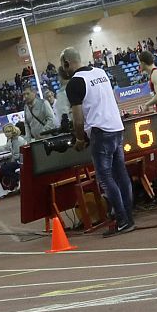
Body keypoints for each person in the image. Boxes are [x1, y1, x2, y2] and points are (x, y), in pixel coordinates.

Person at [60, 46, 135, 236]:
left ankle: (122, 219)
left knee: (105, 178)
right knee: (121, 175)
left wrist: (79, 139)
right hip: (116, 127)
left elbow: (78, 118)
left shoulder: (74, 83)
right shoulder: (101, 72)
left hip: (101, 132)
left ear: (67, 63)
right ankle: (129, 218)